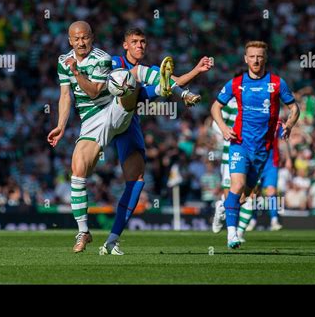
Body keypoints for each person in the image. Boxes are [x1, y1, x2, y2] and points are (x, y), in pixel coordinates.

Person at [47, 21, 176, 253]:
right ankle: (83, 232)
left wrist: (76, 70)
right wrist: (60, 125)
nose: (81, 42)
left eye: (85, 37)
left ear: (92, 37)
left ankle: (157, 86)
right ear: (69, 41)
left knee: (127, 79)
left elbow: (95, 91)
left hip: (111, 109)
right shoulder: (62, 61)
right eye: (76, 39)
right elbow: (65, 95)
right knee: (77, 173)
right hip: (90, 121)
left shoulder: (102, 58)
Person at [101, 27, 213, 255]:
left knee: (137, 180)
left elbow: (175, 81)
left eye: (143, 42)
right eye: (135, 42)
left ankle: (111, 241)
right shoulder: (113, 63)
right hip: (103, 119)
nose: (140, 45)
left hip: (128, 123)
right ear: (125, 45)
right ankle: (82, 230)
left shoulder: (150, 70)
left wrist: (195, 73)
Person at [211, 41, 299, 249]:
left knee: (245, 196)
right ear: (246, 59)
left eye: (259, 56)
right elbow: (216, 107)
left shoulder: (277, 83)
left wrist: (289, 125)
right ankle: (232, 235)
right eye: (252, 56)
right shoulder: (236, 83)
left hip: (263, 150)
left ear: (265, 58)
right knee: (237, 185)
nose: (256, 60)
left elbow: (294, 108)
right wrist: (224, 128)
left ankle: (223, 206)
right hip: (239, 144)